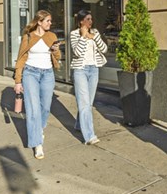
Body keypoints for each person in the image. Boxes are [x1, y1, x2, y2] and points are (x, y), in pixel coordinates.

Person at [13, 10, 61, 159]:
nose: (50, 23)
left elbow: (57, 57)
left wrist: (56, 50)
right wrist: (18, 81)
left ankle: (39, 128)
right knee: (33, 108)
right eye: (47, 21)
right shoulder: (28, 37)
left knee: (45, 106)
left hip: (47, 74)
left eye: (50, 21)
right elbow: (21, 59)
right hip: (30, 73)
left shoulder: (52, 36)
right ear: (39, 22)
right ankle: (37, 143)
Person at [69, 9, 107, 145]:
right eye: (88, 19)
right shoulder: (74, 34)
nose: (91, 21)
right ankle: (89, 136)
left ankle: (79, 124)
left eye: (91, 19)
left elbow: (104, 49)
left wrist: (94, 37)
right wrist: (84, 37)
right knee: (84, 103)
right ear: (81, 21)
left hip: (94, 69)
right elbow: (77, 52)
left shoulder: (95, 32)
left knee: (88, 103)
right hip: (80, 70)